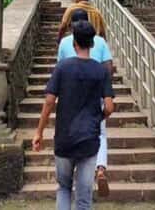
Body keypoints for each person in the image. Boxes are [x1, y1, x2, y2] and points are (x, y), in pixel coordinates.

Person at [33, 20, 115, 210]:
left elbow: (49, 102)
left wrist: (39, 132)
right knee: (84, 196)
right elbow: (110, 107)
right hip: (89, 139)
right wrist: (97, 118)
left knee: (63, 187)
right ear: (93, 43)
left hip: (64, 138)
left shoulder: (62, 68)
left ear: (73, 43)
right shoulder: (101, 71)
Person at [57, 9, 112, 197]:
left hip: (71, 97)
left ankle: (73, 179)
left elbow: (60, 69)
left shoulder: (65, 42)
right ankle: (101, 169)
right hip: (96, 93)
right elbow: (108, 67)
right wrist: (107, 93)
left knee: (72, 133)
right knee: (100, 134)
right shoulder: (101, 42)